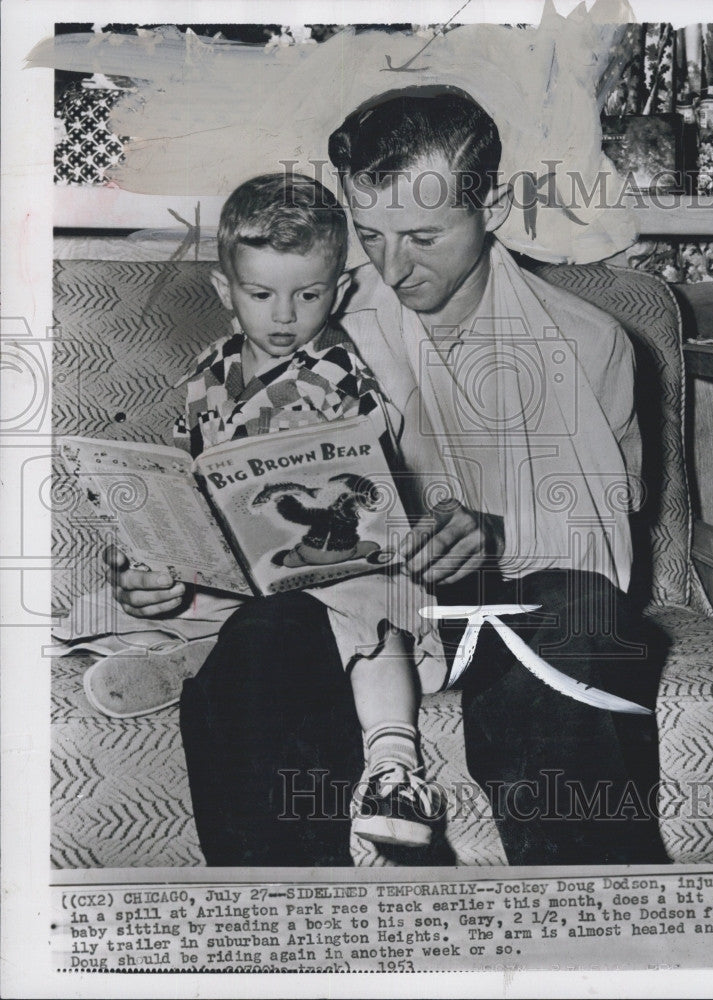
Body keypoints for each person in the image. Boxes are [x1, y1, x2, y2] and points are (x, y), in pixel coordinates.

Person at [107, 90, 668, 867]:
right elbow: (245, 508)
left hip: (509, 608)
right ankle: (280, 944)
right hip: (357, 606)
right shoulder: (313, 313)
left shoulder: (591, 344)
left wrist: (493, 534)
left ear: (492, 204)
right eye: (369, 234)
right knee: (262, 639)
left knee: (583, 621)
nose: (393, 267)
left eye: (423, 235)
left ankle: (604, 931)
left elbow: (606, 548)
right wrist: (175, 575)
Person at [112, 171, 449, 850]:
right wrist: (153, 547)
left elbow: (378, 460)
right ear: (224, 291)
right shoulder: (207, 373)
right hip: (243, 580)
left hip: (334, 569)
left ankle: (393, 763)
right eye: (261, 295)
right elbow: (189, 473)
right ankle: (172, 653)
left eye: (309, 294)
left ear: (341, 290)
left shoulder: (341, 371)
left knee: (375, 611)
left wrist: (340, 425)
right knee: (135, 596)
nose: (285, 317)